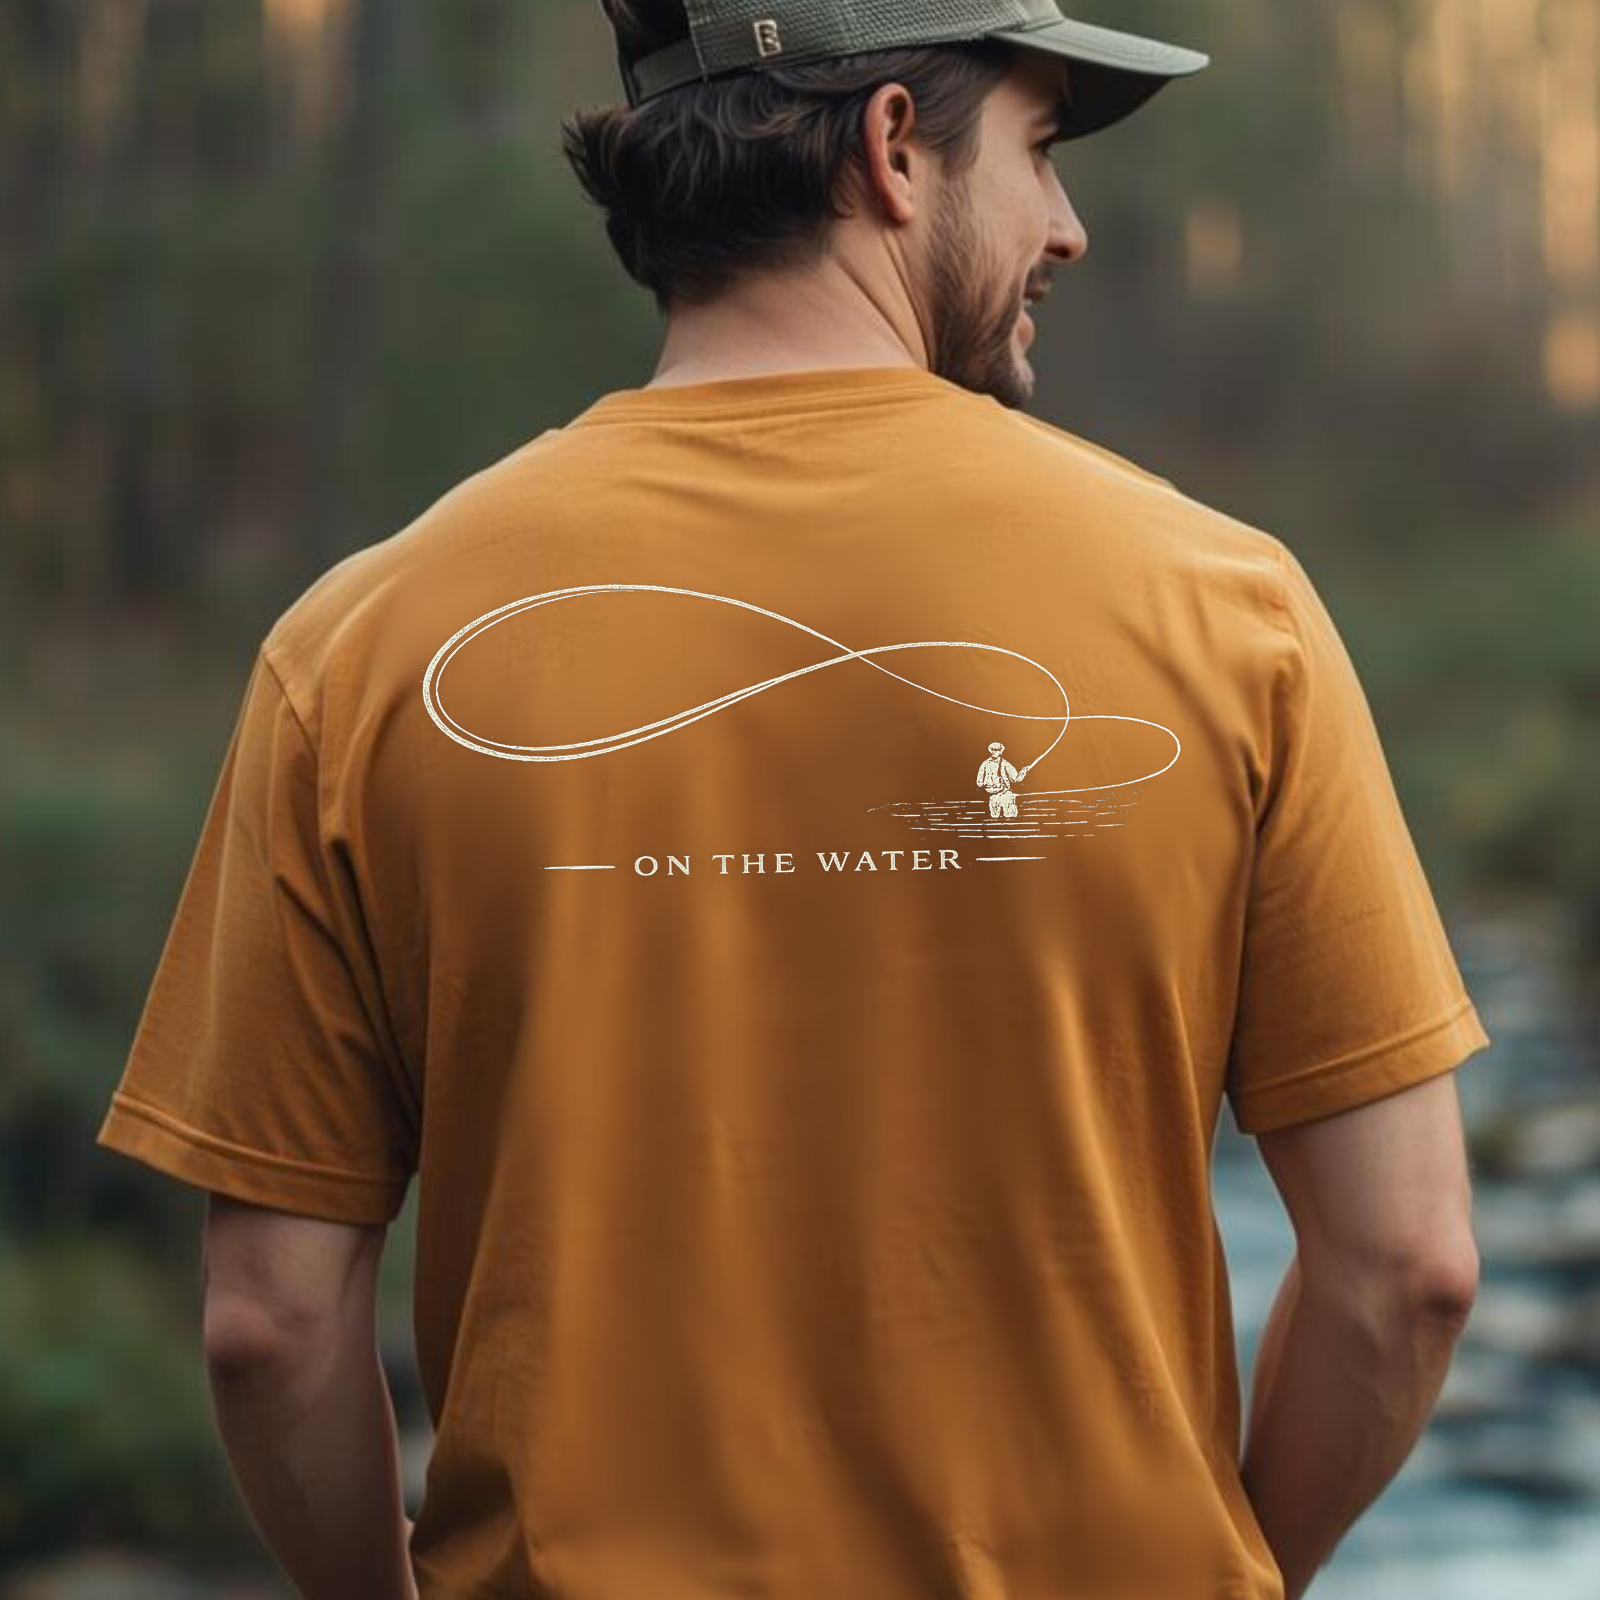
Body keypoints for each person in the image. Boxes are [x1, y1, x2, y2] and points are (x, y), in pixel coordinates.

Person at [95, 3, 1489, 1598]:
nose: (1071, 230)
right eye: (1039, 153)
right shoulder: (1230, 612)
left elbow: (268, 1325)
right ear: (894, 147)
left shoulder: (357, 651)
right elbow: (1409, 1269)